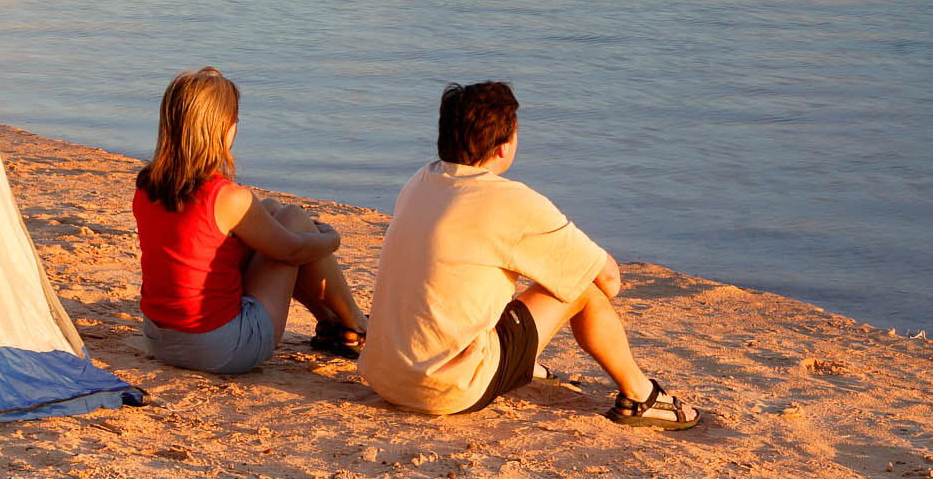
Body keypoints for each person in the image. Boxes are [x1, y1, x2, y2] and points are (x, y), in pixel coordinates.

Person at [358, 80, 699, 429]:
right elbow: (609, 280)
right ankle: (640, 395)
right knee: (584, 286)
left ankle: (521, 361)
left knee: (487, 271)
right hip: (446, 389)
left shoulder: (420, 181)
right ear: (503, 147)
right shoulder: (511, 202)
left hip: (384, 375)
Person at [132, 67, 366, 374]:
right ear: (221, 130)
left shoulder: (147, 185)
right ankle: (357, 324)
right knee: (293, 220)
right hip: (220, 348)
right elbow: (292, 250)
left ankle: (333, 324)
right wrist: (331, 239)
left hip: (160, 339)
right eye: (234, 123)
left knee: (269, 210)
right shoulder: (226, 197)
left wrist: (268, 214)